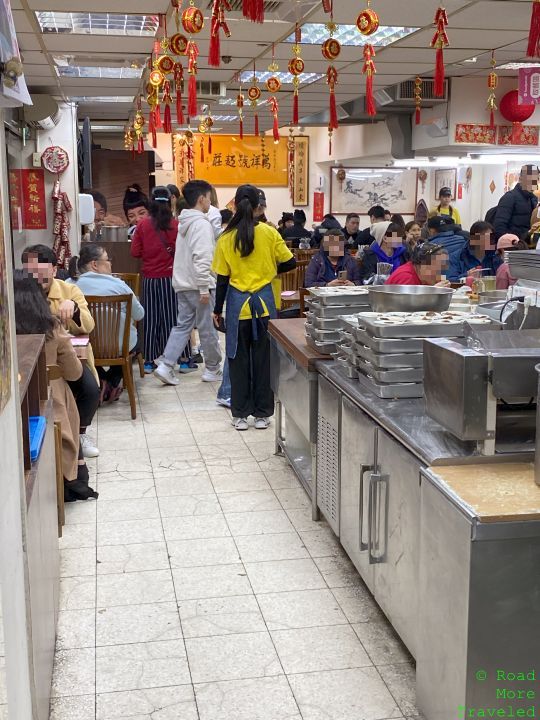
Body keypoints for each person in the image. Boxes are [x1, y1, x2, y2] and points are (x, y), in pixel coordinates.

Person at [212, 184, 296, 430]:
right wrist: (269, 272)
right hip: (266, 306)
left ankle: (239, 415)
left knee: (237, 359)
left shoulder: (226, 238)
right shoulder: (270, 234)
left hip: (238, 306)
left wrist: (217, 310)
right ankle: (262, 414)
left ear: (236, 205)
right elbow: (290, 263)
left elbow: (222, 279)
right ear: (258, 206)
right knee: (264, 359)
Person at [13, 270, 98, 501]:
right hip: (50, 401)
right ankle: (75, 470)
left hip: (16, 406)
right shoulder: (51, 327)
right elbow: (74, 372)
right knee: (71, 395)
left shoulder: (7, 332)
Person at [21, 244, 100, 459]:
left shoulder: (69, 290)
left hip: (66, 356)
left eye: (42, 274)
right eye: (31, 273)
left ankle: (81, 431)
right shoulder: (20, 294)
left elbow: (88, 326)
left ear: (55, 271)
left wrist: (73, 309)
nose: (37, 280)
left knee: (90, 390)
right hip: (33, 359)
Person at [153, 180, 223, 387]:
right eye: (209, 198)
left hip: (183, 284)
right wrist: (204, 287)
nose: (210, 202)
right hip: (198, 286)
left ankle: (166, 365)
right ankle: (212, 368)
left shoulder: (184, 221)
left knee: (183, 326)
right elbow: (202, 258)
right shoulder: (201, 224)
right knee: (207, 328)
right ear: (202, 199)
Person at [67, 244, 145, 402]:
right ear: (94, 264)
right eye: (107, 260)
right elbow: (139, 314)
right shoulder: (120, 286)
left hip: (82, 346)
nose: (110, 263)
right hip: (118, 347)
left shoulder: (68, 285)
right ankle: (111, 381)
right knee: (134, 342)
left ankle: (100, 380)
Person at [131, 186, 194, 374]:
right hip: (171, 279)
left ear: (150, 202)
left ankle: (149, 361)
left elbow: (135, 252)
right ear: (170, 201)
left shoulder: (142, 225)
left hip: (150, 278)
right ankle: (182, 360)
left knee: (150, 318)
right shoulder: (176, 225)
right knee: (175, 319)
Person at [494, 164, 539, 240]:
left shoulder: (533, 199)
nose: (534, 182)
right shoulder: (509, 198)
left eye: (537, 178)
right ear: (521, 178)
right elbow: (499, 229)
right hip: (513, 248)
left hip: (528, 247)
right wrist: (523, 237)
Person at [425, 216, 468, 282]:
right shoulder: (462, 239)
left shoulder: (430, 246)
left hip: (442, 282)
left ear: (431, 230)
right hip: (465, 278)